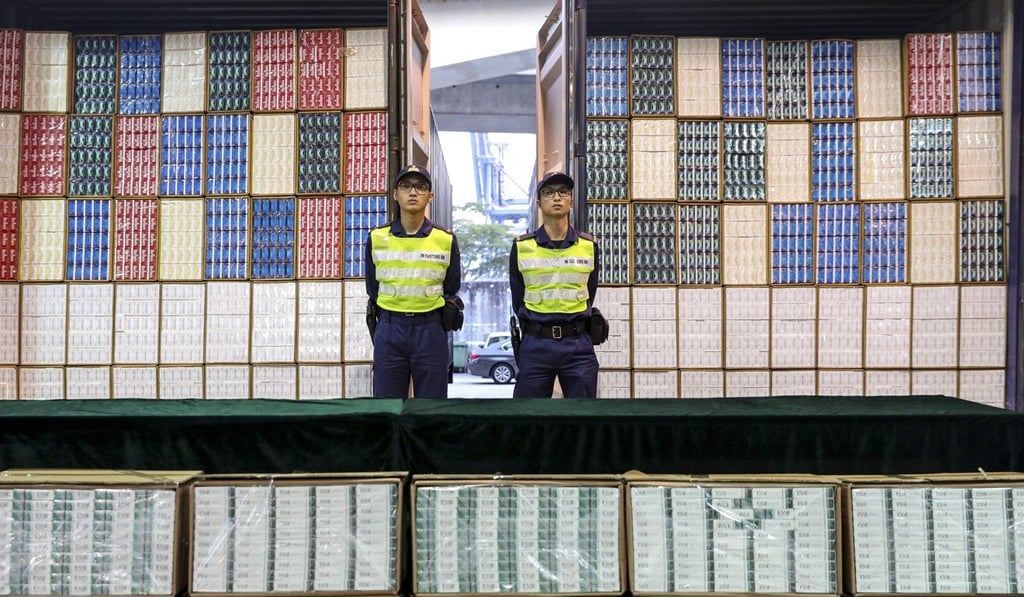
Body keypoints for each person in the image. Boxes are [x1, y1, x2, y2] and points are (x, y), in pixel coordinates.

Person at [365, 164, 462, 399]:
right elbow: (373, 288)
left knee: (432, 408)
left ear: (430, 196)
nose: (413, 192)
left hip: (430, 329)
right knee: (387, 407)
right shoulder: (377, 238)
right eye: (406, 186)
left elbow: (451, 287)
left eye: (420, 187)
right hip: (390, 327)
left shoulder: (445, 239)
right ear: (395, 194)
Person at [509, 170, 601, 399]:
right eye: (549, 193)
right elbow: (517, 297)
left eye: (563, 192)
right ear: (539, 202)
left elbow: (590, 291)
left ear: (571, 199)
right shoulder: (522, 246)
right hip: (536, 343)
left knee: (584, 416)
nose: (557, 197)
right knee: (528, 418)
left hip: (578, 344)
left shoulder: (589, 245)